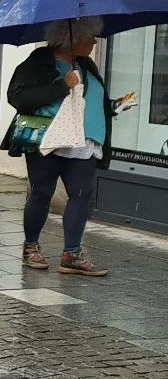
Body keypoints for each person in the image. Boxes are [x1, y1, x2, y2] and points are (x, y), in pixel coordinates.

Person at [7, 16, 122, 276]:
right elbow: (19, 98)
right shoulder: (39, 62)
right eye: (89, 36)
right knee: (41, 193)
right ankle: (31, 247)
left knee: (81, 195)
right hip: (48, 140)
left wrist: (113, 106)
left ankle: (71, 253)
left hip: (84, 140)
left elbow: (90, 101)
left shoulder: (87, 65)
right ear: (72, 38)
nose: (94, 41)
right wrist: (61, 85)